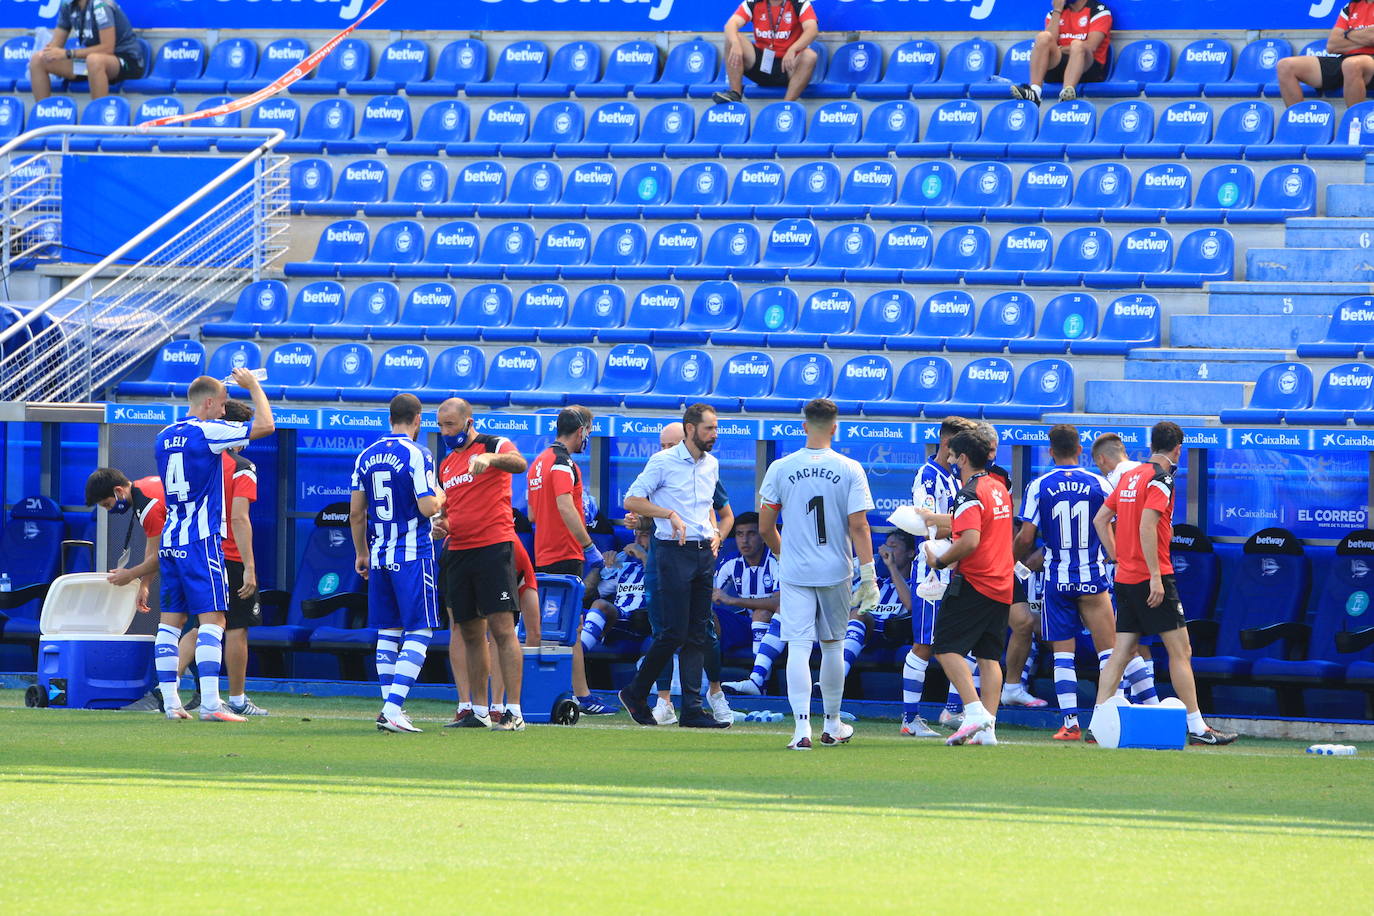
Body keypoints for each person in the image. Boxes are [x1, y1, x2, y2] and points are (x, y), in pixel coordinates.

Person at [1091, 422, 1237, 746]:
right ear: (1177, 450)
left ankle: (1097, 719)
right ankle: (1198, 727)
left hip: (1125, 577)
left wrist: (1117, 556)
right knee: (1181, 649)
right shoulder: (1162, 478)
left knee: (1122, 650)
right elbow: (1148, 524)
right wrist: (1156, 576)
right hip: (1151, 577)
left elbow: (1101, 519)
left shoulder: (1129, 476)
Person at [147, 369, 274, 722]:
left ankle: (172, 703)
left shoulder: (163, 435)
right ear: (207, 403)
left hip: (171, 540)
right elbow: (265, 426)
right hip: (200, 541)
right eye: (220, 406)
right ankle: (211, 704)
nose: (222, 412)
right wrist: (254, 387)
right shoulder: (207, 430)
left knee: (170, 624)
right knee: (215, 620)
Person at [758, 398, 876, 750]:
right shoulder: (850, 468)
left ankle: (801, 729)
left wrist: (784, 554)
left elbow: (765, 527)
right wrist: (868, 574)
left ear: (804, 426)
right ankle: (834, 723)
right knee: (833, 646)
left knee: (796, 645)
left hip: (795, 571)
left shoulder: (780, 467)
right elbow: (859, 525)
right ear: (835, 427)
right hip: (836, 569)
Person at [1015, 424, 1130, 741]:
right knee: (1108, 652)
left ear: (1050, 452)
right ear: (1080, 450)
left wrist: (1011, 559)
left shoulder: (1039, 486)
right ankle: (1105, 721)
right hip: (1092, 577)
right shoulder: (1100, 484)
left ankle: (1069, 723)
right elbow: (1116, 527)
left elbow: (1026, 537)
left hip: (1056, 580)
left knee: (1063, 654)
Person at [619, 404, 730, 729]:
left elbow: (710, 508)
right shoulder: (662, 461)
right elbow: (632, 499)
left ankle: (692, 709)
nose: (715, 434)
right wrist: (668, 514)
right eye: (709, 428)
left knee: (697, 632)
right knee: (672, 633)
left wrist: (714, 535)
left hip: (701, 552)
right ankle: (636, 692)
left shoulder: (712, 464)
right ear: (691, 429)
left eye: (716, 427)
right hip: (671, 550)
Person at [350, 394, 442, 734]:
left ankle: (389, 706)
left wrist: (361, 553)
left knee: (388, 632)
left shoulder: (365, 456)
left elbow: (356, 513)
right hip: (412, 553)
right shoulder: (418, 454)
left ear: (391, 418)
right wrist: (440, 494)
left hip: (379, 555)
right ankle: (392, 708)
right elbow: (428, 507)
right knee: (420, 629)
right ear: (417, 419)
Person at [436, 398, 529, 731]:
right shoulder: (446, 464)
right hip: (458, 552)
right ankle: (477, 709)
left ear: (468, 422)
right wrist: (440, 524)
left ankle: (513, 711)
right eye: (440, 425)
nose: (445, 431)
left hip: (493, 548)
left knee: (503, 631)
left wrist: (490, 459)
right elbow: (447, 513)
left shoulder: (494, 444)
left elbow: (520, 464)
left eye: (450, 425)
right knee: (471, 633)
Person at [924, 429, 1014, 747]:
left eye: (951, 455)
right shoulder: (998, 487)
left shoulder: (968, 493)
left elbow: (971, 539)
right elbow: (980, 527)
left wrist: (939, 560)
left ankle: (974, 712)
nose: (948, 460)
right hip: (1002, 582)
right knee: (989, 657)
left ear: (962, 458)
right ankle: (988, 729)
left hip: (976, 581)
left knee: (946, 647)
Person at [526, 406, 616, 715]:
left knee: (550, 628)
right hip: (565, 554)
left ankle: (559, 692)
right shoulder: (564, 462)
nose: (588, 437)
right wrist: (589, 547)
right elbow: (565, 507)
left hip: (543, 553)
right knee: (571, 629)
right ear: (580, 431)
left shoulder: (538, 462)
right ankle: (581, 696)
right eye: (589, 431)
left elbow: (532, 514)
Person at [898, 417, 975, 739]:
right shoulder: (928, 477)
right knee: (925, 645)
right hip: (931, 572)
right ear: (948, 445)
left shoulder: (954, 477)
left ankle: (953, 710)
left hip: (953, 568)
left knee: (963, 643)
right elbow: (927, 525)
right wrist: (965, 525)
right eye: (962, 449)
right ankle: (909, 718)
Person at [716, 512, 783, 697]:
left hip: (781, 626)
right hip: (747, 624)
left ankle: (759, 683)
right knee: (707, 617)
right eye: (739, 534)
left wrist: (734, 600)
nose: (744, 540)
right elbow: (713, 593)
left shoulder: (776, 559)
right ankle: (704, 684)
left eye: (751, 534)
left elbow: (781, 602)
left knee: (761, 612)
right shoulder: (731, 561)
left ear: (763, 536)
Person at [29, 0, 145, 102]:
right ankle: (42, 116)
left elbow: (107, 48)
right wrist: (49, 51)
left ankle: (98, 120)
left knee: (94, 60)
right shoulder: (67, 5)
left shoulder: (101, 5)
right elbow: (55, 47)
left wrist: (68, 54)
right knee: (38, 59)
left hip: (127, 63)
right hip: (90, 66)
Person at [87, 466, 165, 614]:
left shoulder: (148, 504)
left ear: (118, 491)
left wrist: (130, 575)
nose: (110, 510)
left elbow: (159, 556)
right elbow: (152, 547)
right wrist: (145, 584)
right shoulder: (143, 488)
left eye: (107, 504)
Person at [840, 530, 915, 679]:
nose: (888, 551)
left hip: (892, 635)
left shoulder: (916, 584)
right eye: (886, 546)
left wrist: (892, 566)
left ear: (911, 553)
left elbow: (911, 606)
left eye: (894, 546)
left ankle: (836, 677)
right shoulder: (875, 582)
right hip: (862, 631)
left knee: (859, 613)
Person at [713, 0, 819, 105]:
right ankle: (735, 94)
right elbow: (730, 24)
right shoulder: (753, 2)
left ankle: (786, 105)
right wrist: (735, 44)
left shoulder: (799, 3)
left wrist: (793, 48)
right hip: (762, 64)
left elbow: (812, 30)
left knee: (809, 56)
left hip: (789, 67)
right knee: (733, 38)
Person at [1011, 0, 1112, 107]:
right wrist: (1057, 10)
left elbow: (1091, 46)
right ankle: (1034, 91)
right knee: (1043, 37)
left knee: (1077, 45)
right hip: (1060, 65)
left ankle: (1067, 93)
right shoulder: (1054, 14)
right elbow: (1049, 42)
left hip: (1087, 68)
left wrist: (1061, 48)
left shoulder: (1099, 11)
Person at [1277, 1, 1374, 108]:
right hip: (1345, 60)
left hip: (1367, 61)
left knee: (1351, 65)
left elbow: (1372, 37)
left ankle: (1354, 121)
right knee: (1285, 66)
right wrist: (1364, 38)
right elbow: (1332, 45)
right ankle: (1298, 120)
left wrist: (1347, 34)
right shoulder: (1351, 6)